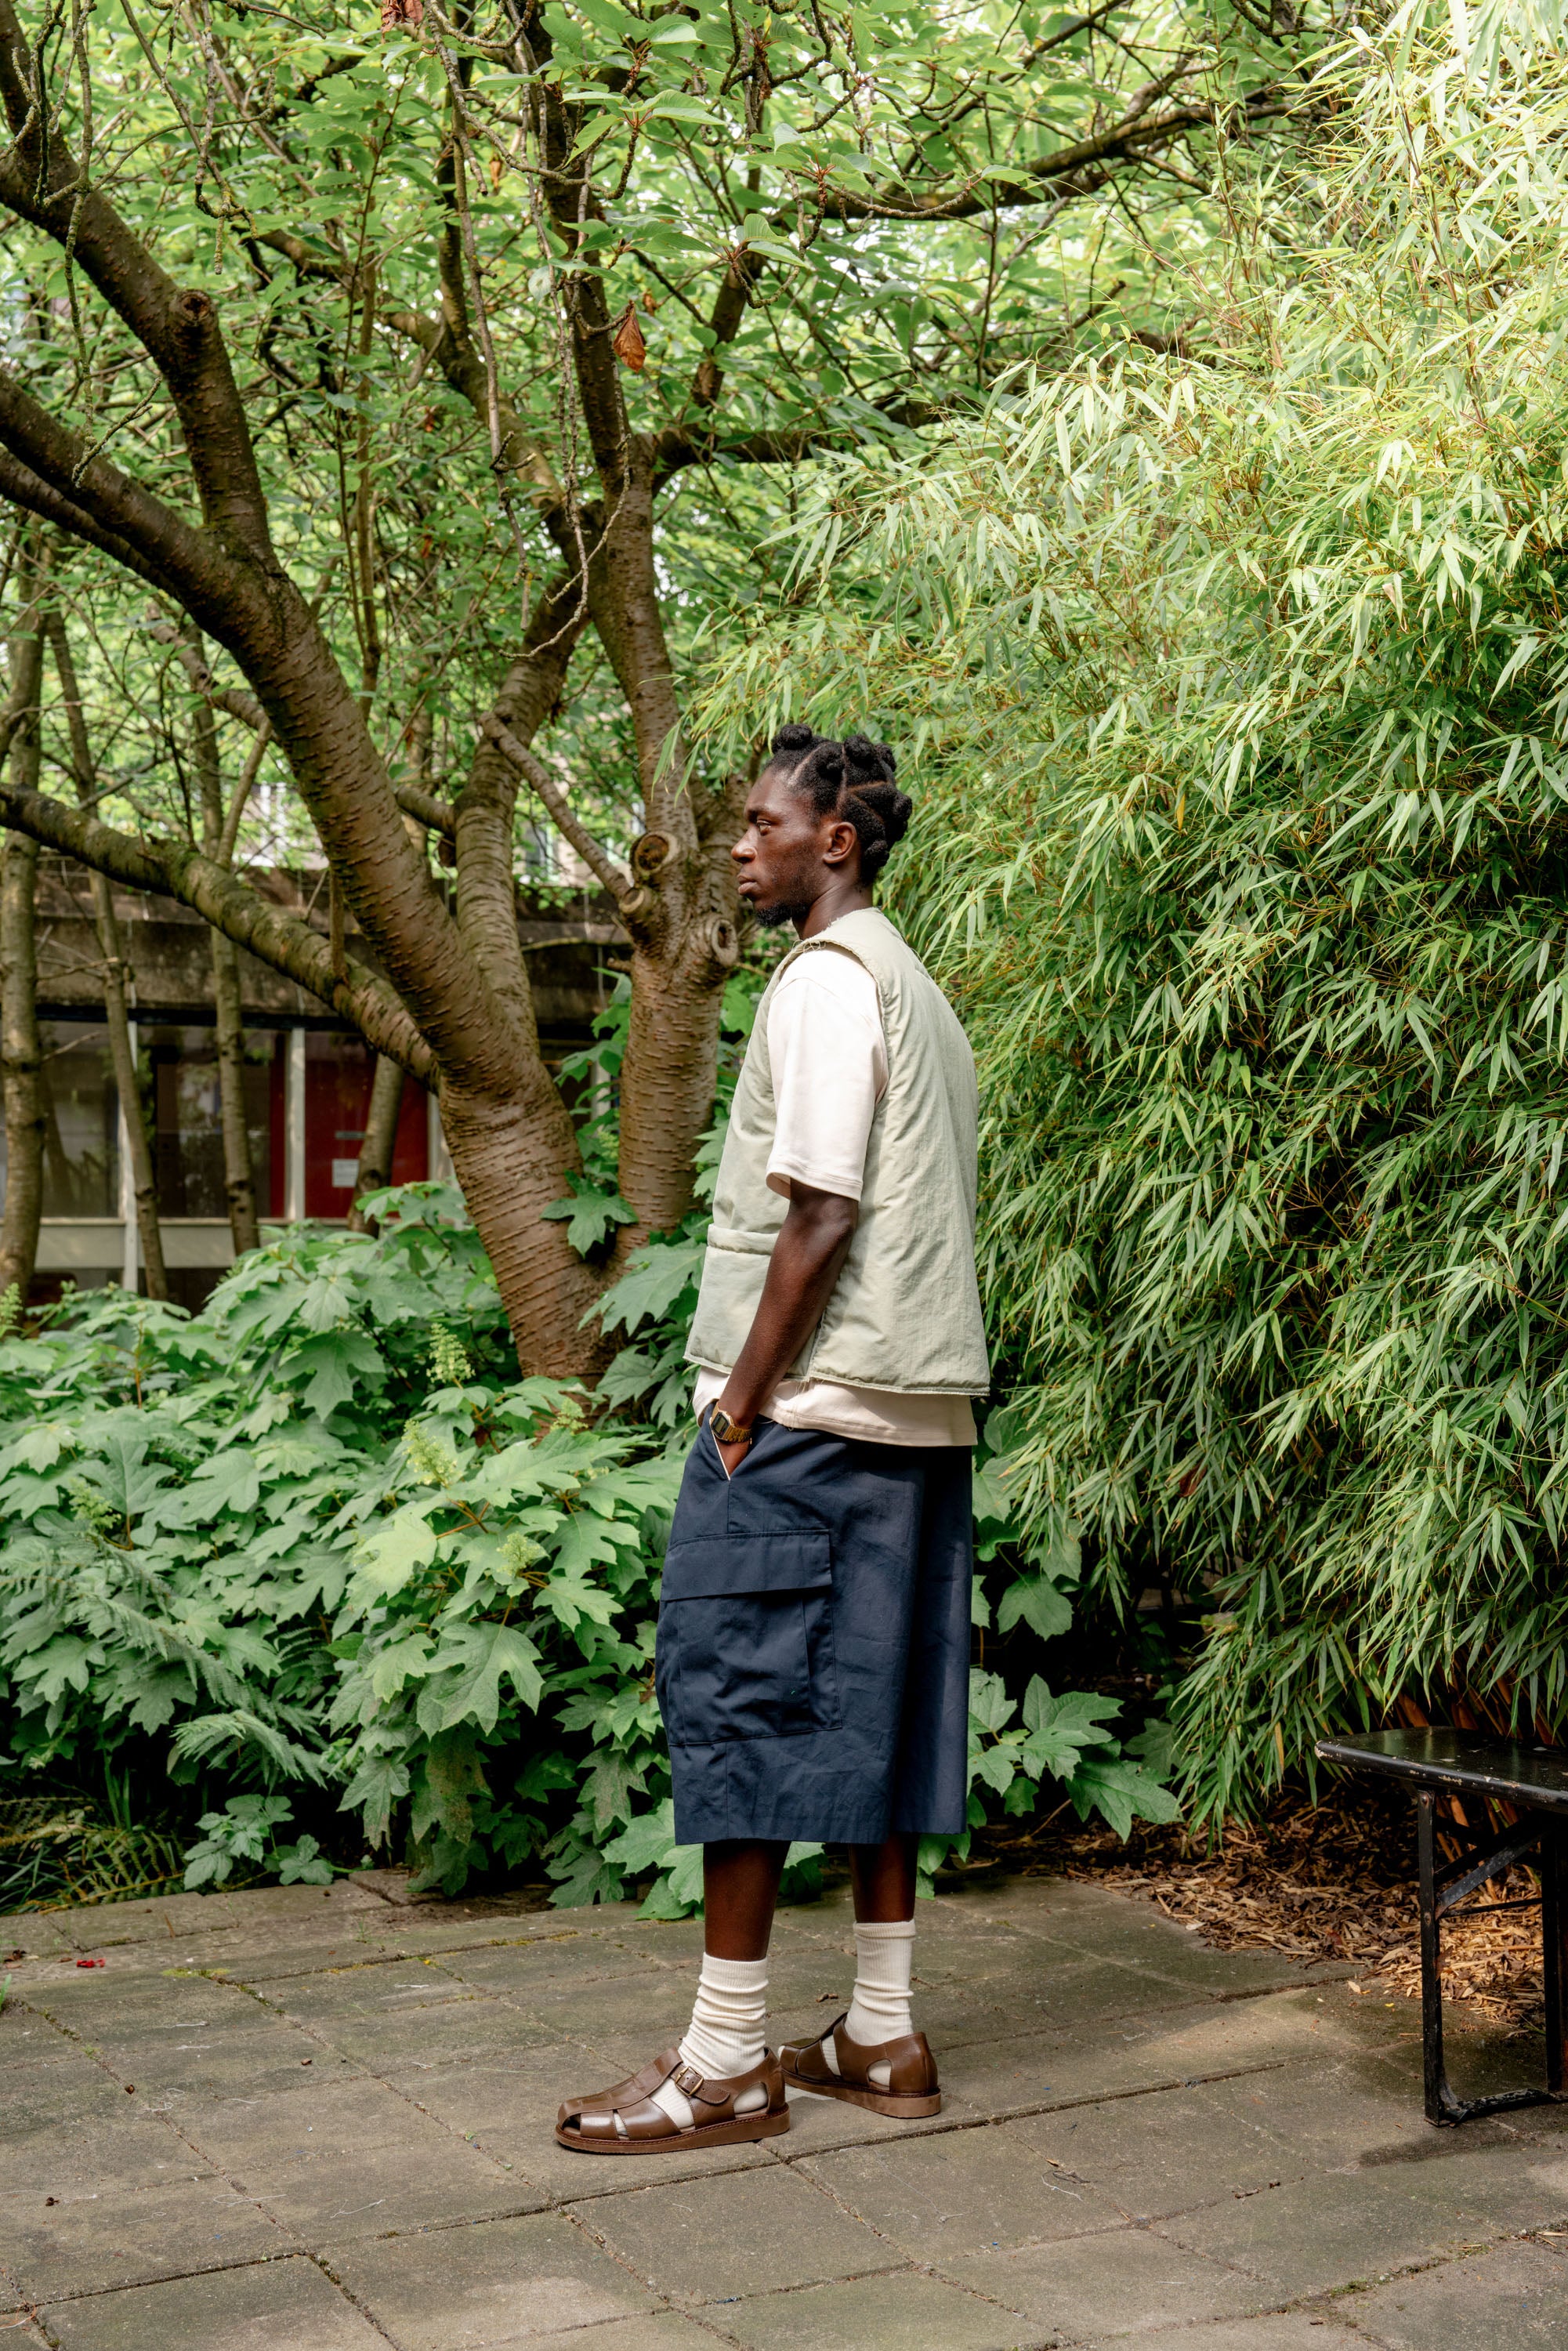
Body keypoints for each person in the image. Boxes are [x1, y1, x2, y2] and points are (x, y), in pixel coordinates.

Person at [555, 724, 990, 2154]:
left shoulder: (819, 983)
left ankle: (727, 2060)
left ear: (834, 841)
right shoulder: (916, 989)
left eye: (759, 825)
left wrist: (738, 1404)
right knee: (879, 1702)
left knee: (738, 1696)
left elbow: (820, 1210)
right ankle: (878, 2033)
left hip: (808, 1415)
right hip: (915, 1413)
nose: (739, 847)